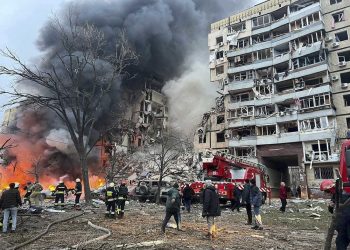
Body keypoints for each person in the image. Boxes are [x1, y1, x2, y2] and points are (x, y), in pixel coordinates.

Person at [320, 180, 350, 250]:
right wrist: (330, 207)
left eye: (327, 191)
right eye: (326, 192)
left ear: (331, 188)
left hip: (348, 221)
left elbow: (343, 208)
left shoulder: (345, 193)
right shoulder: (335, 196)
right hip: (342, 224)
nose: (327, 193)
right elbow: (333, 212)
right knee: (340, 242)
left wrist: (338, 206)